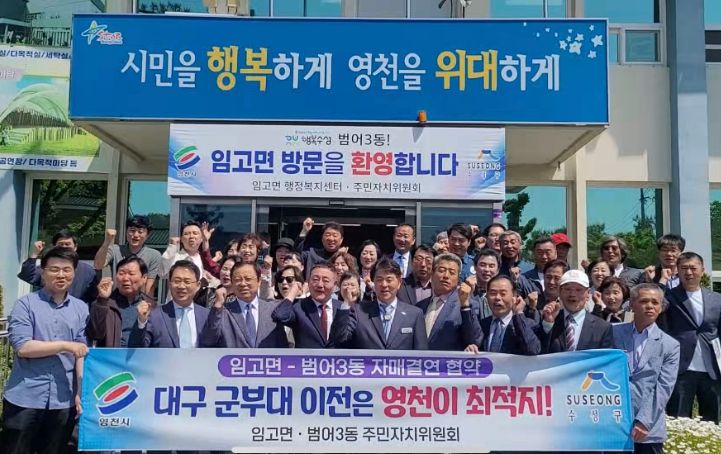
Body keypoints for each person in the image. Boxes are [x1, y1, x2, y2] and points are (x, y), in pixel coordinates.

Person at [1, 247, 89, 454]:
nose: (61, 275)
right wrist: (65, 345)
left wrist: (79, 392)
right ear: (43, 271)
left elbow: (80, 353)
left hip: (63, 399)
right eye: (54, 269)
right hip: (25, 396)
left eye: (67, 270)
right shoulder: (25, 304)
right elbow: (23, 347)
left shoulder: (81, 308)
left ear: (74, 273)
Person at [613, 284, 680, 454]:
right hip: (614, 422)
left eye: (655, 302)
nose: (650, 306)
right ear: (631, 304)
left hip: (648, 429)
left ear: (661, 308)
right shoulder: (613, 333)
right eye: (644, 301)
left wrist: (644, 421)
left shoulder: (670, 345)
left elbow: (664, 387)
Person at [662, 252, 721, 423]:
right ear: (677, 271)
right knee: (677, 418)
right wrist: (662, 281)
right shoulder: (668, 297)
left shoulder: (717, 299)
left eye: (693, 268)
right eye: (684, 268)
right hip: (681, 367)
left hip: (711, 368)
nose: (688, 272)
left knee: (713, 420)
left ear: (702, 270)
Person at [330, 258, 428, 350]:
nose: (384, 285)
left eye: (389, 280)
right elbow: (339, 339)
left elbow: (422, 353)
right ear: (373, 282)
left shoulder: (414, 314)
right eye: (379, 279)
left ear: (399, 283)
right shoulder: (358, 311)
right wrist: (346, 303)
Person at [201, 263, 289, 348]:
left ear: (259, 281)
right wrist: (218, 305)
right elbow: (208, 340)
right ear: (232, 283)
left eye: (248, 279)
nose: (243, 284)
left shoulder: (272, 310)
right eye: (237, 280)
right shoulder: (223, 312)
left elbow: (283, 345)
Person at [129, 260, 210, 348]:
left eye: (187, 282)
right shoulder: (154, 316)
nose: (181, 286)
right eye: (177, 281)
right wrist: (141, 322)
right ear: (169, 284)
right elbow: (138, 350)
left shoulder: (207, 316)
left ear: (198, 285)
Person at [536, 269, 614, 353]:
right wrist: (548, 324)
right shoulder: (547, 320)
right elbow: (538, 352)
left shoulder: (602, 328)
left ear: (588, 293)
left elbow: (606, 358)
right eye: (567, 289)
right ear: (560, 292)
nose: (572, 294)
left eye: (578, 290)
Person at [462, 275, 541, 355]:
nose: (497, 298)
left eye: (503, 294)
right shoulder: (482, 325)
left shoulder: (528, 324)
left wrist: (518, 313)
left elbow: (532, 350)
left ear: (514, 296)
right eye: (493, 293)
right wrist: (470, 349)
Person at [86, 256, 154, 347]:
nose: (125, 278)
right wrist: (102, 300)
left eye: (131, 274)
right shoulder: (105, 303)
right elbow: (94, 334)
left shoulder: (152, 306)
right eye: (121, 273)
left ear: (144, 278)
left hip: (141, 355)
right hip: (112, 355)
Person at [18, 229, 99, 304]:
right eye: (61, 244)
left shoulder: (87, 270)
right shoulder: (49, 267)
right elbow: (27, 276)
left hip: (76, 312)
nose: (64, 247)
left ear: (75, 247)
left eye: (67, 244)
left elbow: (93, 296)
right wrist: (35, 253)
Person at [272, 263, 342, 349]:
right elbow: (279, 316)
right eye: (315, 279)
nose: (320, 285)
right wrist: (293, 292)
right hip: (307, 357)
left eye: (325, 281)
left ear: (335, 285)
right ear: (308, 282)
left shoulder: (343, 308)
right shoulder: (298, 307)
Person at [417, 253, 477, 351]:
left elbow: (476, 340)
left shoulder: (467, 304)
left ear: (458, 279)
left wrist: (465, 306)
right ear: (432, 273)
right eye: (441, 271)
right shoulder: (420, 306)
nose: (446, 276)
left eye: (452, 272)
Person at [94, 215, 162, 294]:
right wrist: (107, 241)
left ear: (147, 235)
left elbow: (150, 285)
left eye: (140, 232)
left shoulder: (154, 255)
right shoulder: (115, 249)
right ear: (126, 231)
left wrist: (146, 300)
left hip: (139, 299)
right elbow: (98, 265)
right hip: (116, 297)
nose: (135, 235)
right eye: (132, 230)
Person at [463, 248, 502, 321]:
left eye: (491, 266)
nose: (487, 269)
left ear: (498, 270)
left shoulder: (502, 294)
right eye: (482, 265)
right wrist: (469, 294)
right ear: (475, 267)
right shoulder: (465, 290)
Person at [526, 259, 569, 323]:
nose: (551, 282)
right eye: (548, 277)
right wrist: (532, 309)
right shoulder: (531, 301)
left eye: (557, 278)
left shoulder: (569, 303)